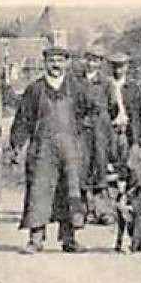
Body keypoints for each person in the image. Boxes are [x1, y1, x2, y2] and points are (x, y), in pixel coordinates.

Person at [8, 35, 105, 253]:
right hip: (42, 149)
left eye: (60, 60)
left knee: (70, 191)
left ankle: (69, 240)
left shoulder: (77, 88)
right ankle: (36, 240)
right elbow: (23, 119)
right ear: (45, 63)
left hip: (71, 149)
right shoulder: (35, 89)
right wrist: (16, 145)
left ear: (67, 63)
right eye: (52, 60)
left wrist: (82, 130)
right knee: (39, 191)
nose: (56, 64)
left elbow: (95, 108)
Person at [70, 42, 115, 222]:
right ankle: (81, 211)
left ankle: (103, 211)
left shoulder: (106, 83)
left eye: (95, 60)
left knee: (100, 166)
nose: (91, 64)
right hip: (80, 127)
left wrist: (101, 120)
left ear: (101, 62)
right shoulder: (75, 80)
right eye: (89, 59)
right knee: (81, 167)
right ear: (84, 60)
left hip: (100, 128)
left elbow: (113, 107)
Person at [103, 50, 141, 173]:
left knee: (130, 162)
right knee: (113, 159)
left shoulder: (134, 87)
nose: (118, 70)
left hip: (129, 128)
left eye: (121, 66)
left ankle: (129, 188)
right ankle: (116, 189)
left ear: (126, 67)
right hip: (112, 129)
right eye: (115, 66)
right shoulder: (106, 86)